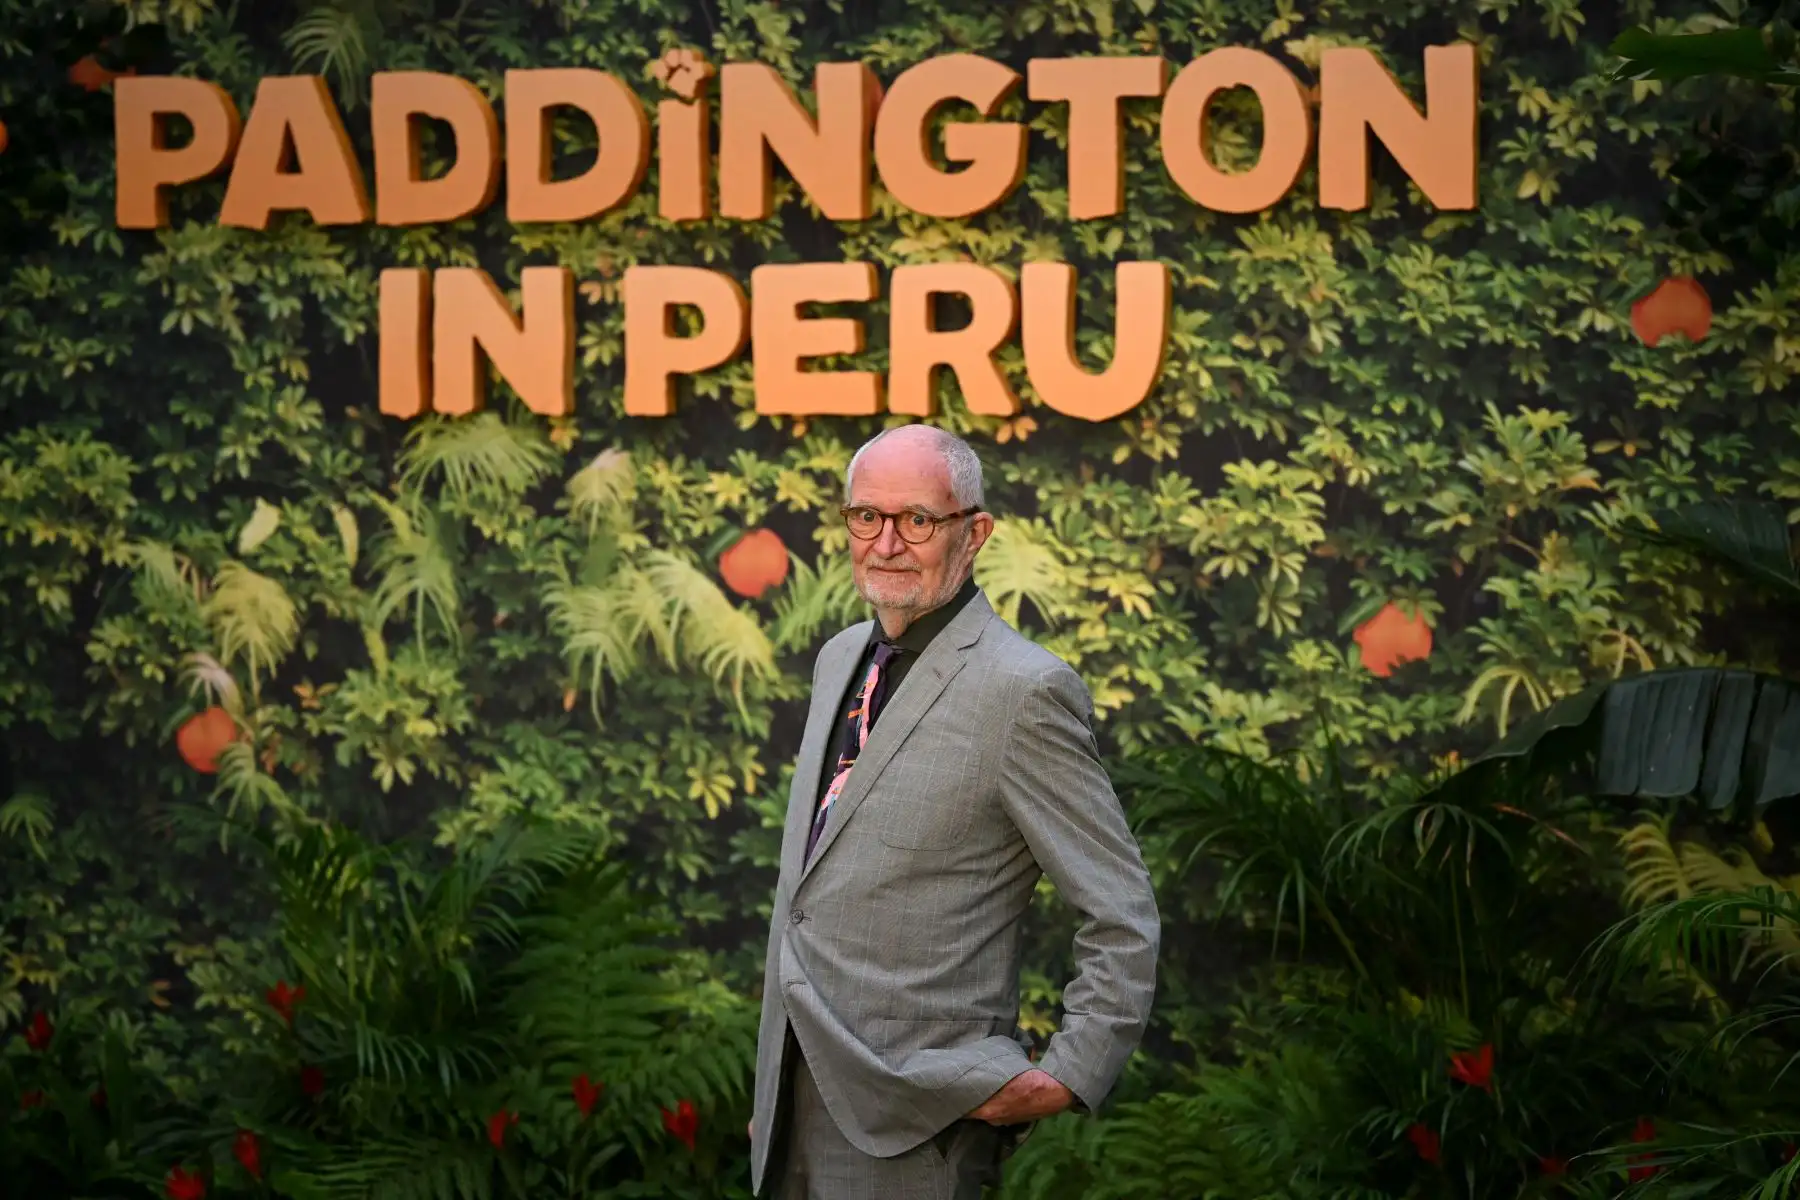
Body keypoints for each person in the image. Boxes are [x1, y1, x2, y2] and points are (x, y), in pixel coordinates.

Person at [747, 423, 1161, 1199]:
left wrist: (1068, 1074)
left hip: (922, 1127)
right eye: (866, 517)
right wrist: (774, 1085)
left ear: (974, 534)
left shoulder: (1024, 691)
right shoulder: (841, 658)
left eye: (917, 520)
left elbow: (1122, 914)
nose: (886, 542)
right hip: (790, 1116)